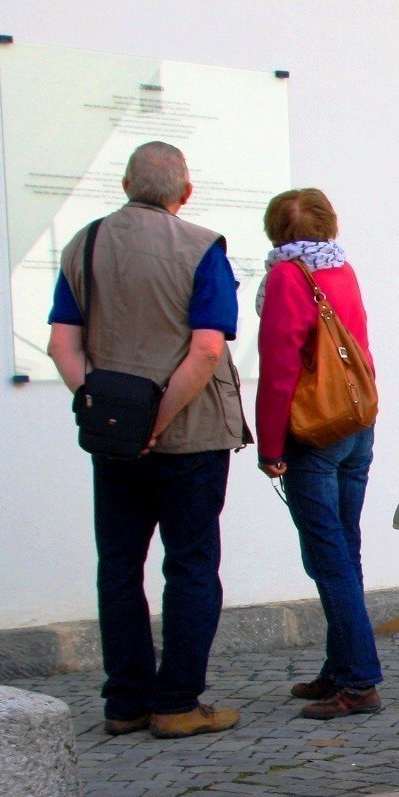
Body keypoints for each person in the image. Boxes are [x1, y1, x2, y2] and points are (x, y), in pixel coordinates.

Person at [48, 141, 248, 739]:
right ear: (184, 192)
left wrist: (112, 415)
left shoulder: (82, 244)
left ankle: (126, 701)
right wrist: (155, 420)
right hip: (190, 436)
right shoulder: (202, 247)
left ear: (125, 186)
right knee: (190, 565)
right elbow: (208, 348)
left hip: (114, 443)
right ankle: (177, 701)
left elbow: (64, 343)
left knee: (119, 566)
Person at [254, 188, 384, 719]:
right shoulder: (341, 270)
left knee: (327, 559)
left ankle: (359, 680)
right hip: (356, 423)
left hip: (316, 433)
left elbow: (280, 367)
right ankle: (338, 667)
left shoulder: (287, 276)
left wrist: (270, 445)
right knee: (342, 551)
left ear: (274, 231)